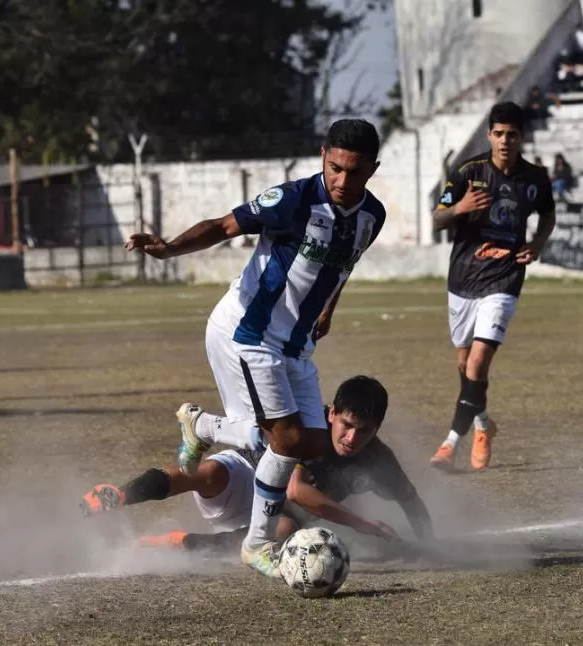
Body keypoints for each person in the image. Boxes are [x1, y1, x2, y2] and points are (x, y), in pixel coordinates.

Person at [124, 119, 386, 578]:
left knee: (314, 445)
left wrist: (327, 309)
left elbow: (343, 267)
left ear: (373, 170)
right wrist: (167, 249)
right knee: (283, 440)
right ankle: (256, 545)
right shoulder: (293, 199)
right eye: (335, 168)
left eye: (356, 172)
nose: (344, 181)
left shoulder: (372, 216)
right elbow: (223, 226)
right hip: (249, 334)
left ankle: (203, 426)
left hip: (296, 346)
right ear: (323, 156)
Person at [80, 376, 433, 553]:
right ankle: (119, 495)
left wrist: (428, 544)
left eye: (364, 431)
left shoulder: (378, 458)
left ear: (377, 430)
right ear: (331, 414)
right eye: (347, 425)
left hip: (278, 514)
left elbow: (410, 499)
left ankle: (175, 542)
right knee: (209, 474)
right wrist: (363, 525)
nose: (352, 438)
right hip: (250, 475)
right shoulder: (309, 432)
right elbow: (298, 490)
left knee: (280, 532)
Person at [428, 102, 555, 472]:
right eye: (498, 134)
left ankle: (450, 444)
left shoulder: (535, 179)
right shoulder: (468, 172)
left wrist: (538, 243)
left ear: (521, 138)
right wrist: (461, 207)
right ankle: (484, 424)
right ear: (489, 135)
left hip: (505, 276)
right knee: (467, 366)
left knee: (480, 362)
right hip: (464, 277)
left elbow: (548, 214)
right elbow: (437, 219)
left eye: (512, 135)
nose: (504, 141)